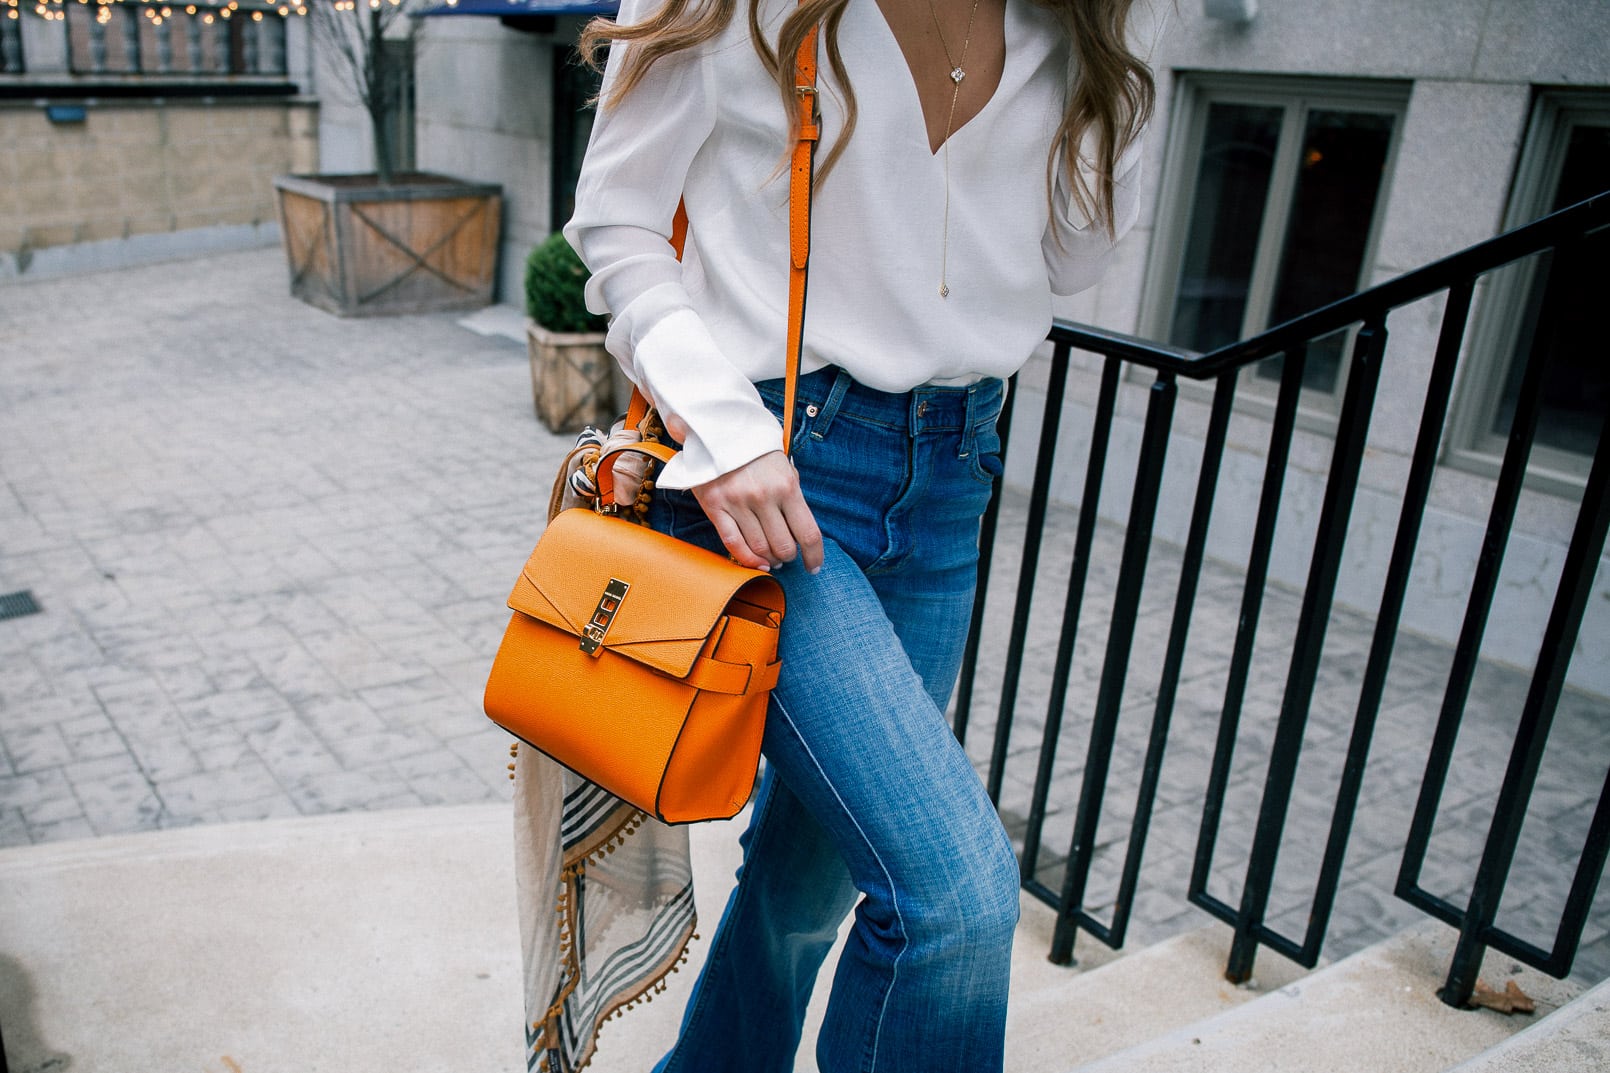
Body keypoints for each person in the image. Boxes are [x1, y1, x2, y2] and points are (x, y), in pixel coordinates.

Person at [511, 0, 1154, 1070]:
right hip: (768, 475)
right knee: (955, 896)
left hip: (950, 474)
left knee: (806, 880)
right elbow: (618, 225)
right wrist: (722, 432)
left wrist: (1124, 42)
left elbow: (1074, 254)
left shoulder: (1066, 24)